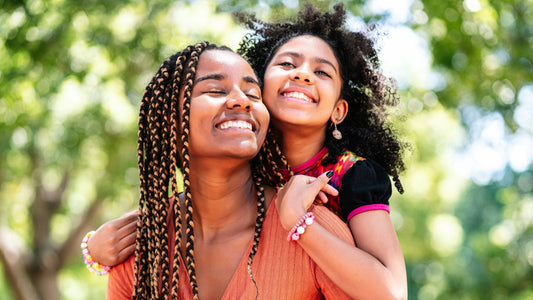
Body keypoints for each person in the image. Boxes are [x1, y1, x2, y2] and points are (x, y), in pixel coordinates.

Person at [87, 3, 408, 299]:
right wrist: (95, 249)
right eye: (286, 64)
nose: (302, 75)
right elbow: (189, 203)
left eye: (322, 72)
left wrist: (299, 222)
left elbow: (391, 291)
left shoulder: (352, 176)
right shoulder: (244, 165)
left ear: (338, 111)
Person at [106, 41, 354, 299]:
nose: (242, 101)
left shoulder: (312, 230)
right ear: (170, 122)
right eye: (214, 90)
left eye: (253, 94)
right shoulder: (140, 246)